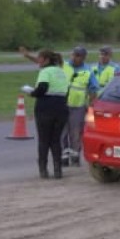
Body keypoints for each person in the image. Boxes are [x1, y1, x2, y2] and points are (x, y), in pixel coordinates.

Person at [23, 49, 70, 178]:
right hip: (61, 107)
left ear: (47, 60)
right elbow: (67, 90)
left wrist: (32, 93)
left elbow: (42, 88)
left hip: (46, 107)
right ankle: (58, 169)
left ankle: (43, 169)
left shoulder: (45, 72)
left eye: (40, 58)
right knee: (55, 140)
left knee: (44, 140)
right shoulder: (61, 72)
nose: (38, 61)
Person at [62, 45, 96, 166]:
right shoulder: (64, 65)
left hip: (78, 106)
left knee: (76, 132)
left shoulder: (88, 71)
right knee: (62, 131)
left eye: (77, 55)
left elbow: (93, 88)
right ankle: (64, 156)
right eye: (73, 54)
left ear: (83, 58)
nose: (74, 57)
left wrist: (91, 105)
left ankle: (75, 156)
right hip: (62, 104)